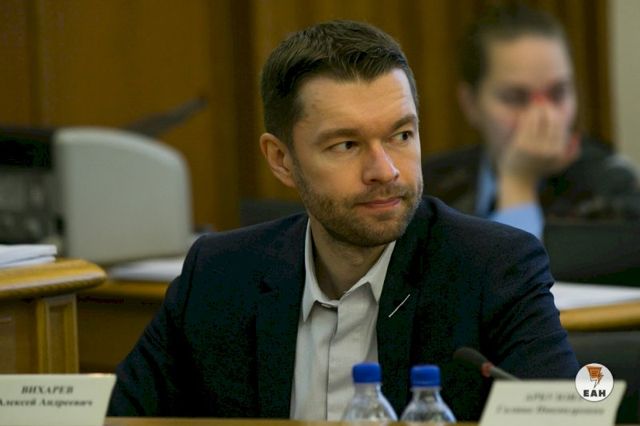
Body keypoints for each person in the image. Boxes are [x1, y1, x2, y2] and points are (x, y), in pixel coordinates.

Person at [107, 20, 578, 421]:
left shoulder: (492, 269)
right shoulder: (219, 276)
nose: (385, 171)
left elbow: (560, 418)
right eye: (346, 145)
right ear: (281, 160)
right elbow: (118, 417)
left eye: (401, 135)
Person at [423, 4, 640, 239]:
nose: (544, 116)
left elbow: (523, 264)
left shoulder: (611, 185)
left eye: (558, 93)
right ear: (471, 104)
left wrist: (518, 181)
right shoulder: (433, 187)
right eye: (516, 98)